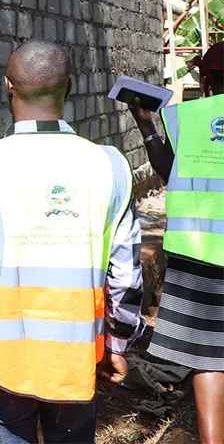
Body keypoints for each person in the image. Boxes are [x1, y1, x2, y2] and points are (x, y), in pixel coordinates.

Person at [0, 40, 144, 443]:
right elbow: (125, 274)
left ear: (8, 86)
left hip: (1, 358)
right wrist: (118, 344)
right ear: (68, 89)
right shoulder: (110, 165)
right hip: (75, 355)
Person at [129, 42, 224, 444]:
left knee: (209, 358)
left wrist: (146, 123)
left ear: (204, 80)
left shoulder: (185, 117)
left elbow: (168, 170)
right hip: (200, 252)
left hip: (199, 252)